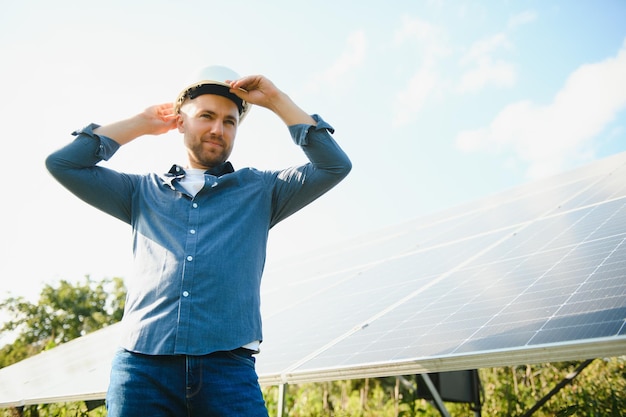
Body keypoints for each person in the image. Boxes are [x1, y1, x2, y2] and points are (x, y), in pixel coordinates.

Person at [45, 65, 352, 417]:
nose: (217, 129)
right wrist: (140, 124)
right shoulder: (140, 192)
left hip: (228, 371)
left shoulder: (263, 190)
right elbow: (63, 164)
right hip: (142, 371)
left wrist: (278, 101)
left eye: (229, 121)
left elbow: (333, 166)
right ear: (180, 122)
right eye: (206, 116)